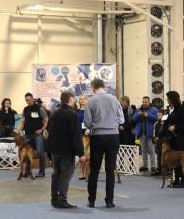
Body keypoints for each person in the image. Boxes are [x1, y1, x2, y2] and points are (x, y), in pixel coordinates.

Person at [84, 77, 123, 208]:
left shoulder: (91, 101)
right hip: (113, 136)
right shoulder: (114, 99)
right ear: (104, 86)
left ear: (93, 87)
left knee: (94, 170)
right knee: (110, 170)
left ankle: (91, 200)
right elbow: (121, 119)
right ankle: (109, 201)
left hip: (98, 136)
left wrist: (94, 125)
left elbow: (87, 122)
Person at [45, 91, 84, 209]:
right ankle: (62, 199)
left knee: (56, 174)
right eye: (74, 99)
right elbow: (76, 135)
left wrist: (48, 150)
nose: (75, 101)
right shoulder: (72, 114)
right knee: (65, 175)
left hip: (54, 149)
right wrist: (81, 153)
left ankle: (54, 199)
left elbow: (49, 132)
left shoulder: (54, 113)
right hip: (67, 150)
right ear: (70, 100)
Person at [161, 90, 184, 187]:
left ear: (172, 99)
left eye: (168, 98)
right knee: (174, 161)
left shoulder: (182, 109)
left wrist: (175, 126)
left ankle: (183, 181)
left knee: (181, 161)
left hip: (180, 139)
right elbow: (166, 124)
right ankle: (176, 180)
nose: (167, 100)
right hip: (172, 139)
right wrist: (159, 136)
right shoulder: (170, 110)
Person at [21, 93, 49, 177]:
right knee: (27, 153)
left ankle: (41, 171)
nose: (28, 102)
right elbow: (23, 121)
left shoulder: (40, 109)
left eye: (29, 100)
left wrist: (42, 129)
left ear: (33, 99)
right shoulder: (25, 109)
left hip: (38, 134)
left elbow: (46, 120)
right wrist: (18, 131)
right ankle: (27, 171)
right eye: (26, 100)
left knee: (40, 152)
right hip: (27, 134)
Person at [132, 95, 159, 174]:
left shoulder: (154, 109)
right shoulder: (138, 110)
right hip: (142, 133)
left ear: (149, 102)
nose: (144, 103)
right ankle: (145, 165)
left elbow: (156, 118)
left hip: (150, 133)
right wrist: (138, 114)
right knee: (143, 150)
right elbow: (133, 119)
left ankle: (153, 166)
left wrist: (148, 115)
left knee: (151, 150)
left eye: (146, 102)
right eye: (143, 102)